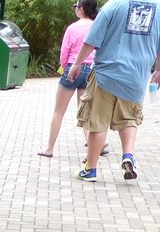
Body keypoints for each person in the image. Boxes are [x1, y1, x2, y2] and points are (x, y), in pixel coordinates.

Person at [67, 0, 160, 183]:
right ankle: (128, 155)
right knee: (129, 118)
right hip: (137, 77)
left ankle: (90, 169)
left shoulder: (115, 4)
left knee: (98, 121)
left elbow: (92, 39)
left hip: (106, 74)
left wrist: (77, 64)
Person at [39, 0, 101, 159]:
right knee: (84, 112)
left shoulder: (72, 28)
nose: (75, 9)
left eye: (76, 6)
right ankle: (92, 150)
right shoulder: (97, 26)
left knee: (58, 111)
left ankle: (50, 148)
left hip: (73, 68)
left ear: (82, 9)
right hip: (90, 71)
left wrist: (63, 67)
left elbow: (64, 52)